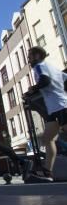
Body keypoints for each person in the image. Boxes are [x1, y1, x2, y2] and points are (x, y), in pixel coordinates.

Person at [24, 46, 67, 182]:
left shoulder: (40, 66)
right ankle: (47, 173)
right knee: (47, 139)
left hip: (61, 106)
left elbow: (45, 81)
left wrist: (32, 89)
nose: (28, 60)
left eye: (29, 56)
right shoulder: (53, 68)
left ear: (37, 56)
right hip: (53, 109)